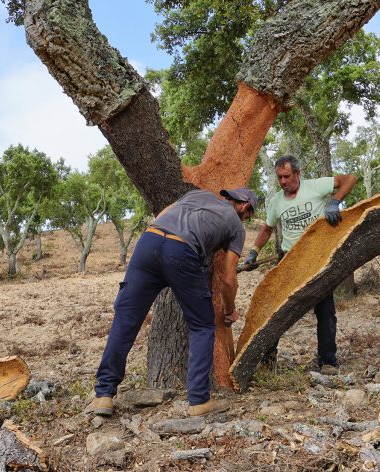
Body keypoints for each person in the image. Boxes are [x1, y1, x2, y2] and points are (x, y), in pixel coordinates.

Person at [86, 187, 258, 417]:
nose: (246, 220)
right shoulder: (236, 226)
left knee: (126, 320)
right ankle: (199, 401)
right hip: (181, 251)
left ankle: (103, 395)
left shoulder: (196, 195)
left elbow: (163, 215)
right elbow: (228, 279)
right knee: (202, 324)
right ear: (245, 207)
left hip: (148, 242)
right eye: (248, 216)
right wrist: (230, 310)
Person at [242, 155, 357, 375]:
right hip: (289, 259)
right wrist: (253, 253)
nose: (283, 181)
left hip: (317, 257)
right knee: (275, 310)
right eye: (279, 178)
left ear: (297, 174)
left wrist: (335, 201)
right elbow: (267, 228)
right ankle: (267, 360)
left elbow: (350, 179)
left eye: (287, 176)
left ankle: (327, 361)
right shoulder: (276, 201)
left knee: (325, 312)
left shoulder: (315, 186)